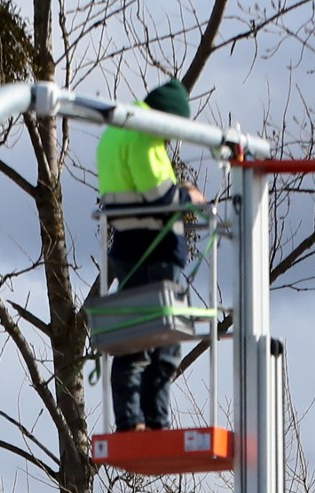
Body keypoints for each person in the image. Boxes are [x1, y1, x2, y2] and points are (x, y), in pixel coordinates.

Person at [96, 79, 206, 432]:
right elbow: (160, 195)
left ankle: (131, 422)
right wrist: (189, 195)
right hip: (155, 253)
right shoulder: (144, 133)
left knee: (133, 338)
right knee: (165, 341)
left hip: (126, 251)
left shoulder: (115, 132)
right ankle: (155, 421)